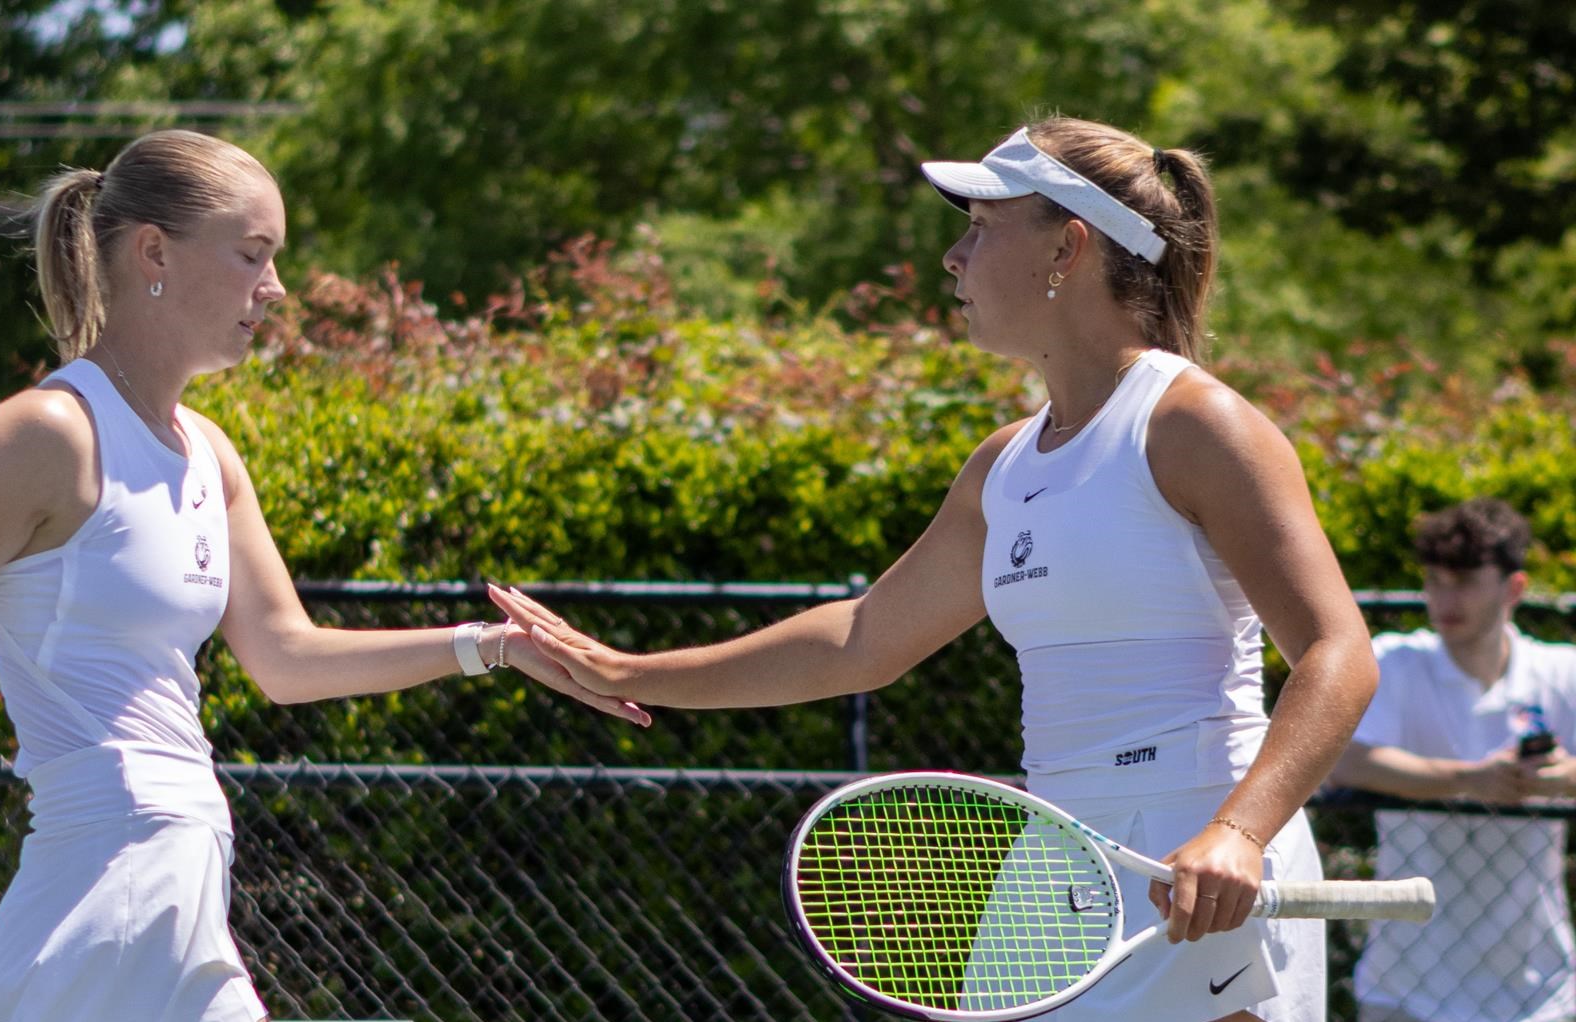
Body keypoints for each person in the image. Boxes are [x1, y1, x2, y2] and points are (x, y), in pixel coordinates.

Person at [0, 129, 646, 1022]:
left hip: (185, 871)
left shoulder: (209, 454)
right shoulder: (41, 437)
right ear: (153, 251)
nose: (274, 288)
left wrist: (490, 646)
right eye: (252, 254)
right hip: (103, 881)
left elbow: (285, 657)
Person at [488, 117, 1379, 1022]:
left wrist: (1237, 831)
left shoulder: (1198, 426)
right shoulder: (1005, 466)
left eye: (982, 226)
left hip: (1199, 855)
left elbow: (1339, 652)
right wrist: (623, 672)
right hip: (1060, 855)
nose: (953, 258)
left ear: (1067, 245)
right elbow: (859, 641)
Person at [1330, 498, 1576, 1022]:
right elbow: (1344, 761)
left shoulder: (1560, 671)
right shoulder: (1395, 661)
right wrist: (1471, 780)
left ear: (1514, 587)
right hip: (1406, 979)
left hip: (1538, 984)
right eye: (1434, 580)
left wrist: (1563, 778)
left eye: (1463, 580)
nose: (1445, 596)